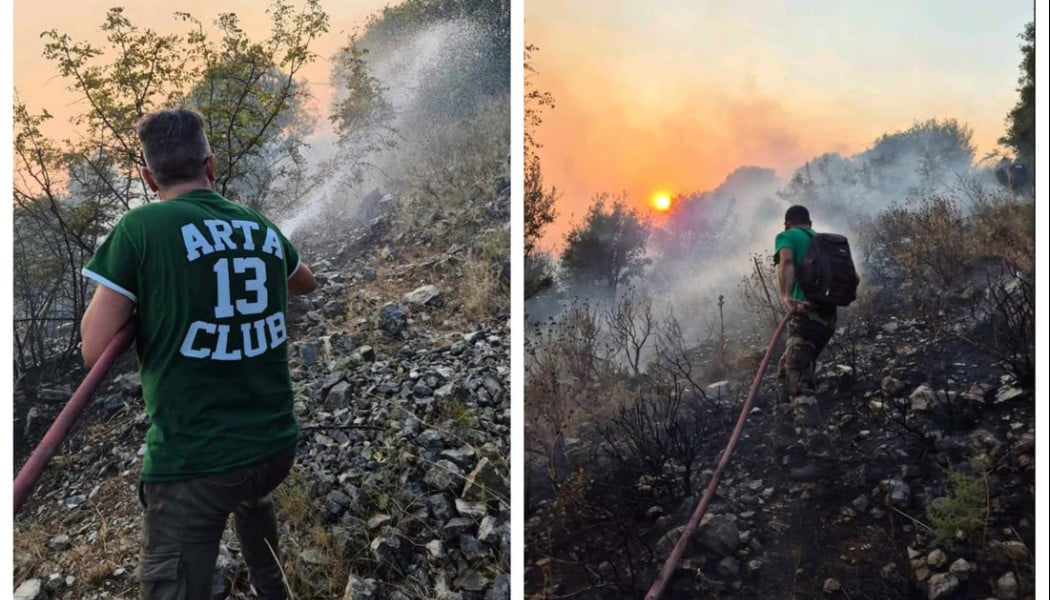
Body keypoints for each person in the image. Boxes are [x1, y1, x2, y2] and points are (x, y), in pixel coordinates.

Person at [80, 108, 317, 599]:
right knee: (251, 493)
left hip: (195, 465)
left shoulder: (140, 228)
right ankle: (272, 587)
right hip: (275, 446)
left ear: (149, 178)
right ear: (210, 166)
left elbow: (93, 348)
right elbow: (305, 283)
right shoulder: (257, 224)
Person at [771, 205, 838, 482]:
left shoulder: (787, 237)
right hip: (827, 317)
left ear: (787, 223)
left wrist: (786, 296)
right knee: (786, 369)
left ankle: (821, 458)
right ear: (809, 222)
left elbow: (786, 262)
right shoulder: (822, 240)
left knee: (798, 376)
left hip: (806, 314)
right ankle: (785, 443)